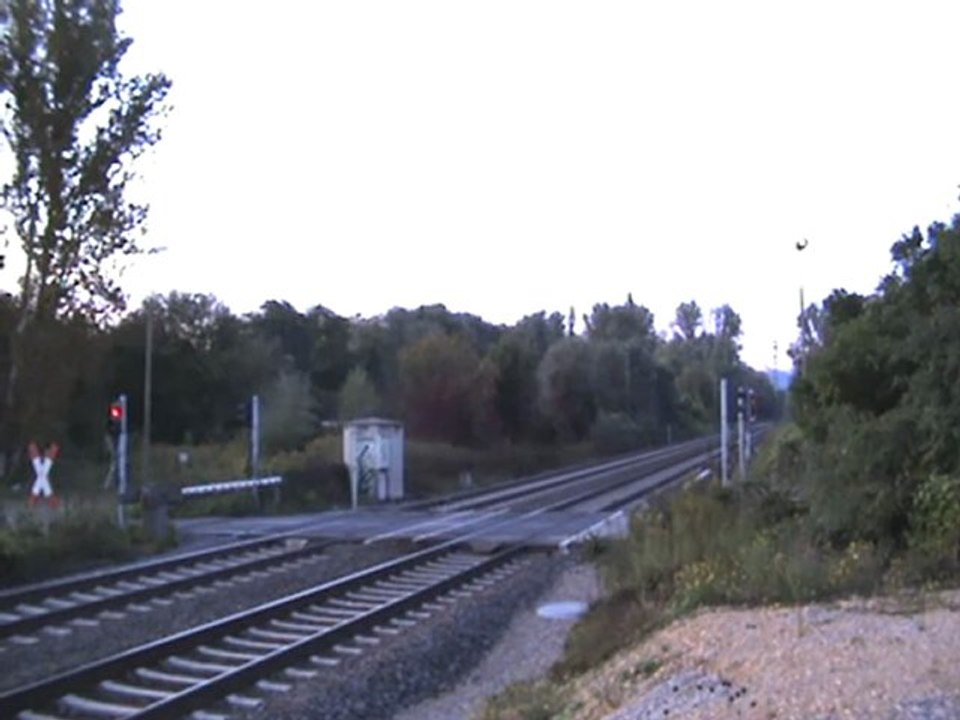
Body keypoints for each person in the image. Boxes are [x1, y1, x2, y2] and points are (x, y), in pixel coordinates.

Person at [28, 441, 60, 508]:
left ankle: (32, 503)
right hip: (43, 469)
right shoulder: (45, 461)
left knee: (42, 475)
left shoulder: (45, 461)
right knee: (42, 475)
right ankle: (32, 502)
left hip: (42, 469)